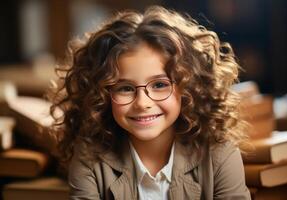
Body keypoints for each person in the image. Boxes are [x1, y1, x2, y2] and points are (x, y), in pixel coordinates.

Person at [49, 5, 251, 200]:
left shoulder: (219, 153)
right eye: (125, 88)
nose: (142, 103)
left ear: (188, 87)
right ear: (100, 95)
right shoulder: (89, 157)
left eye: (160, 85)